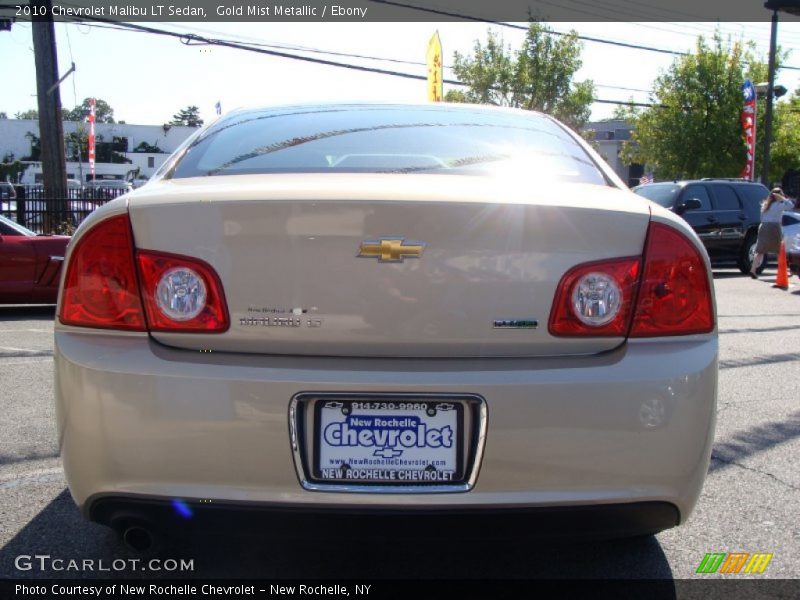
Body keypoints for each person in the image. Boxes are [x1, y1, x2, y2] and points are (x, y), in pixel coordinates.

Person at [750, 187, 795, 278]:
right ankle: (783, 271)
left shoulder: (765, 205)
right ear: (779, 195)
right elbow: (791, 205)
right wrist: (783, 198)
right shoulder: (779, 205)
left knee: (760, 250)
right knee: (779, 250)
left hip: (763, 226)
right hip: (774, 227)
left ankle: (753, 270)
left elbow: (761, 218)